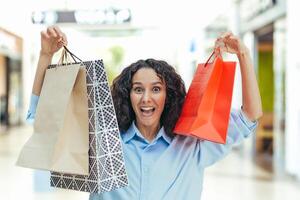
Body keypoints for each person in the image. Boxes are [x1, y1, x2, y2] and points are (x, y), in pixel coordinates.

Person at [26, 26, 262, 200]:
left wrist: (243, 55)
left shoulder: (192, 145)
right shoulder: (103, 141)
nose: (146, 98)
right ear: (127, 95)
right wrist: (46, 56)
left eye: (156, 89)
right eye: (138, 89)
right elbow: (44, 119)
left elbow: (250, 116)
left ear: (168, 95)